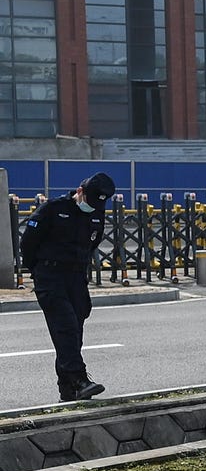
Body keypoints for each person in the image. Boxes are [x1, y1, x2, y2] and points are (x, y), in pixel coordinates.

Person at [19, 172, 115, 402]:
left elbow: (93, 243)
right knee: (66, 328)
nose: (93, 208)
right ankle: (80, 380)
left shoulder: (96, 213)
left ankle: (68, 391)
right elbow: (28, 242)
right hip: (50, 276)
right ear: (79, 192)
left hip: (76, 278)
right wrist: (38, 272)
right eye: (90, 201)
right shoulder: (53, 209)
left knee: (73, 333)